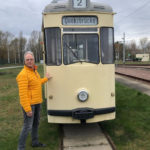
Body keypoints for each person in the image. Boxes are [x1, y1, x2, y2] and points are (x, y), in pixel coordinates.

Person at [16, 51, 51, 150]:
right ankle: (20, 147)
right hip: (30, 105)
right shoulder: (23, 74)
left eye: (31, 59)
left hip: (37, 102)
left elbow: (37, 83)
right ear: (24, 61)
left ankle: (35, 142)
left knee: (36, 124)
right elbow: (22, 95)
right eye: (27, 60)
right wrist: (27, 109)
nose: (30, 61)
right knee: (27, 126)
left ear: (34, 60)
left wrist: (46, 79)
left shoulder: (34, 71)